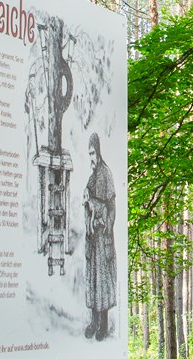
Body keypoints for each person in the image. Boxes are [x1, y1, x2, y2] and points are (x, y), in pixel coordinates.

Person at [82, 133, 115, 340]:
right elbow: (87, 204)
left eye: (93, 152)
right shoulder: (91, 177)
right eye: (89, 154)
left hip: (104, 238)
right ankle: (94, 322)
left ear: (98, 151)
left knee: (103, 281)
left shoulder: (106, 174)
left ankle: (103, 324)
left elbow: (112, 207)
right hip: (93, 239)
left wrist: (106, 224)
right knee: (93, 280)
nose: (91, 157)